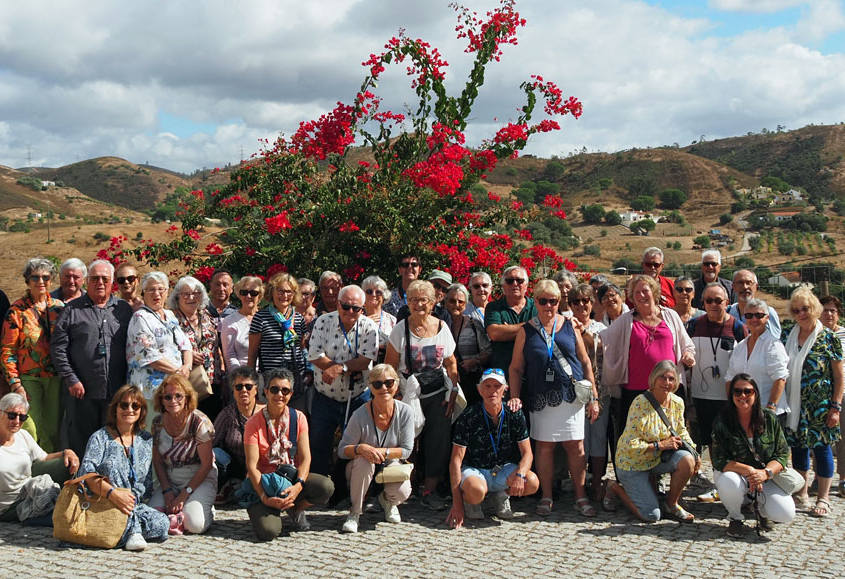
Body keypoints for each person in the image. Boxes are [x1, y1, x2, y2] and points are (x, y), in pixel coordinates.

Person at [508, 280, 599, 516]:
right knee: (545, 447)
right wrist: (515, 396)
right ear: (535, 301)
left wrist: (594, 398)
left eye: (554, 301)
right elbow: (516, 368)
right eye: (543, 300)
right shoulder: (525, 330)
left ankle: (580, 496)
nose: (549, 305)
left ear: (560, 301)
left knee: (575, 446)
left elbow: (585, 361)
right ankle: (546, 495)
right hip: (541, 398)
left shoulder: (570, 325)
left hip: (571, 397)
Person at [385, 280, 460, 510]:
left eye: (423, 300)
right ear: (407, 302)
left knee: (437, 442)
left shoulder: (441, 328)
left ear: (433, 302)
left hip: (438, 393)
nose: (418, 304)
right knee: (408, 442)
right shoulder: (400, 329)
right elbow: (390, 366)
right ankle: (404, 489)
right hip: (408, 394)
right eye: (413, 299)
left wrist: (454, 392)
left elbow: (451, 363)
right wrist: (394, 396)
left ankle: (429, 490)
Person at [51, 259, 133, 458]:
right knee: (82, 444)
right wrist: (71, 379)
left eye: (105, 279)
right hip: (81, 392)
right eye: (95, 278)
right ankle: (81, 485)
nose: (100, 283)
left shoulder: (123, 309)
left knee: (112, 443)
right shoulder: (71, 310)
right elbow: (58, 348)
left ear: (112, 281)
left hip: (115, 391)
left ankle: (108, 486)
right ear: (87, 281)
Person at [243, 368, 334, 540]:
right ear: (266, 392)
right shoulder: (253, 423)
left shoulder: (298, 418)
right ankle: (270, 508)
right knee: (268, 532)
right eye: (274, 389)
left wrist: (298, 485)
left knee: (325, 487)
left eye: (285, 390)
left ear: (291, 394)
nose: (279, 394)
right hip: (264, 483)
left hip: (290, 478)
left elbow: (306, 458)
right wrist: (264, 497)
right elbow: (252, 465)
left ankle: (295, 507)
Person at [605, 361, 700, 522]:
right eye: (662, 377)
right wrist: (660, 445)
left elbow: (681, 431)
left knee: (687, 460)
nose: (667, 383)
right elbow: (631, 444)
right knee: (651, 515)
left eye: (671, 378)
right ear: (654, 379)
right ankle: (614, 487)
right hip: (632, 463)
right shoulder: (640, 403)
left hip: (657, 460)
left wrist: (695, 452)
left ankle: (671, 504)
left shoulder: (677, 402)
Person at [77, 385, 169, 551]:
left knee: (162, 524)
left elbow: (146, 484)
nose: (130, 410)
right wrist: (114, 494)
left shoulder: (146, 439)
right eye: (124, 405)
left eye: (135, 406)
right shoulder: (100, 438)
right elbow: (87, 475)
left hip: (131, 505)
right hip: (104, 501)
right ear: (115, 409)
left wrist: (130, 499)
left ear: (142, 410)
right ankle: (131, 531)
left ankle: (123, 530)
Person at [601, 274, 695, 434]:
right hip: (636, 392)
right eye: (636, 293)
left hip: (669, 389)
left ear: (654, 292)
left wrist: (688, 354)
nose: (641, 295)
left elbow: (687, 345)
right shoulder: (626, 320)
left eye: (645, 291)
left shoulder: (670, 316)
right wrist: (582, 331)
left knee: (669, 435)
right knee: (636, 437)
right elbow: (603, 339)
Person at [445, 368, 539, 528]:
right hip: (475, 469)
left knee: (532, 482)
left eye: (497, 386)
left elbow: (527, 453)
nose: (492, 391)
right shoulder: (469, 416)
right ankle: (470, 501)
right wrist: (457, 502)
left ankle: (501, 495)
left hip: (501, 468)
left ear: (505, 389)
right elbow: (456, 460)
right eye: (487, 386)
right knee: (477, 491)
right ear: (479, 390)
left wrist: (520, 475)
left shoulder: (514, 414)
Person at [782, 287, 843, 517]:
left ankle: (824, 498)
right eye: (796, 310)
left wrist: (835, 407)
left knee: (822, 449)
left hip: (821, 407)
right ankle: (802, 493)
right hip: (794, 405)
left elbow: (839, 377)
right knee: (798, 449)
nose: (801, 314)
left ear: (814, 309)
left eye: (805, 309)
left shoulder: (829, 338)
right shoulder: (788, 334)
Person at [711, 374, 795, 538]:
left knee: (785, 514)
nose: (743, 396)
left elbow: (783, 454)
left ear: (755, 394)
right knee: (729, 482)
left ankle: (762, 512)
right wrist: (749, 470)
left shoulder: (769, 418)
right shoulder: (722, 421)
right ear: (731, 395)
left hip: (765, 475)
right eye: (737, 392)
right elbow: (718, 459)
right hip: (736, 473)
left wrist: (765, 473)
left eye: (748, 392)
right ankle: (735, 518)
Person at [308, 285, 379, 476]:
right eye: (345, 306)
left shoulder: (369, 327)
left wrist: (340, 368)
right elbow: (314, 355)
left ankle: (346, 489)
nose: (350, 312)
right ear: (338, 304)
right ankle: (318, 491)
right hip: (324, 397)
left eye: (356, 308)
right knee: (319, 444)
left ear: (362, 309)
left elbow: (365, 361)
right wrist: (339, 367)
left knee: (355, 445)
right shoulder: (323, 322)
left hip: (357, 396)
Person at [685, 283, 746, 501]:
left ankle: (733, 484)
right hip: (701, 396)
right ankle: (719, 483)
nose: (713, 305)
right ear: (702, 303)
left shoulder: (737, 328)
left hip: (728, 397)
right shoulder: (692, 326)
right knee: (710, 442)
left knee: (730, 441)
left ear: (727, 302)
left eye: (718, 300)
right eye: (708, 301)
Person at [337, 364, 414, 532]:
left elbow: (407, 449)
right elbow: (342, 450)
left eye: (389, 383)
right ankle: (354, 512)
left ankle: (387, 501)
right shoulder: (359, 415)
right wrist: (361, 448)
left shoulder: (406, 412)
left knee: (402, 491)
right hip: (361, 466)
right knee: (364, 461)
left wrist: (382, 452)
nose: (384, 388)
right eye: (377, 384)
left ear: (396, 383)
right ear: (370, 387)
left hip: (390, 464)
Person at [1, 258, 65, 451]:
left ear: (52, 280)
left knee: (52, 430)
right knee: (30, 429)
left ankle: (48, 475)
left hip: (55, 378)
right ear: (27, 281)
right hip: (28, 378)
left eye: (46, 277)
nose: (41, 281)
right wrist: (16, 384)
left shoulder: (59, 308)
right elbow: (7, 350)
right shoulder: (16, 311)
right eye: (35, 277)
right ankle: (28, 473)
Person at [148, 375, 217, 534]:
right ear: (162, 400)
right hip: (170, 479)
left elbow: (206, 465)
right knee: (152, 518)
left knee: (195, 525)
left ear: (187, 397)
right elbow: (157, 461)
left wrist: (184, 495)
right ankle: (180, 513)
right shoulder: (157, 423)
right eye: (168, 396)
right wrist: (166, 490)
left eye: (178, 395)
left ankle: (207, 509)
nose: (173, 400)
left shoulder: (200, 422)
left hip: (199, 478)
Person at [0, 393, 78, 524]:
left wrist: (67, 452)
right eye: (12, 415)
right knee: (59, 515)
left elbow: (45, 458)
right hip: (9, 505)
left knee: (66, 464)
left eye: (22, 417)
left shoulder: (22, 435)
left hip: (29, 489)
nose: (17, 421)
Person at [126, 272, 192, 418]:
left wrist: (187, 366)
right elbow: (149, 355)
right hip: (151, 391)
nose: (156, 293)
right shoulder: (140, 317)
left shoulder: (170, 315)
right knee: (152, 432)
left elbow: (185, 344)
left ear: (167, 292)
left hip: (174, 388)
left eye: (161, 289)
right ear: (143, 293)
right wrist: (178, 373)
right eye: (151, 289)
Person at [569, 284, 610, 500]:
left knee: (598, 436)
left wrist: (581, 331)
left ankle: (597, 480)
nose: (581, 305)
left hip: (600, 388)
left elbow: (600, 346)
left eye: (585, 300)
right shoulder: (565, 326)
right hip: (573, 389)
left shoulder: (601, 328)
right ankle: (580, 482)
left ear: (592, 303)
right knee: (579, 437)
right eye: (576, 301)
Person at [248, 273, 310, 410]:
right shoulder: (261, 317)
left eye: (289, 291)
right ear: (272, 291)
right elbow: (252, 352)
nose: (284, 295)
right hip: (271, 383)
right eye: (280, 290)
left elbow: (302, 348)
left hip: (295, 381)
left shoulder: (298, 318)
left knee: (295, 421)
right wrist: (251, 382)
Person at [724, 298, 789, 419]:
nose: (754, 319)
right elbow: (729, 378)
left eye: (759, 315)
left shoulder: (774, 345)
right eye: (749, 315)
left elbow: (780, 378)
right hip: (743, 414)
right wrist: (733, 406)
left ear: (767, 318)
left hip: (768, 413)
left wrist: (770, 409)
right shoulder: (740, 347)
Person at [169, 276, 220, 420]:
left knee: (211, 423)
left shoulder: (206, 315)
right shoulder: (171, 319)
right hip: (187, 382)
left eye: (196, 293)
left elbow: (216, 344)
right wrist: (189, 355)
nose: (191, 297)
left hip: (211, 380)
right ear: (177, 297)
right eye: (186, 294)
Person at [212, 366, 265, 503]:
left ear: (256, 388)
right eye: (239, 387)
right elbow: (211, 441)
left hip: (263, 467)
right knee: (214, 454)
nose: (244, 391)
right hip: (235, 467)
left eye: (248, 386)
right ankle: (227, 484)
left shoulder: (267, 413)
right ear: (233, 390)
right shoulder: (227, 414)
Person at [445, 283, 490, 407]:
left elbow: (488, 352)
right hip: (446, 383)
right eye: (452, 301)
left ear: (466, 304)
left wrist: (474, 361)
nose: (456, 305)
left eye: (461, 302)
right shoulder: (439, 324)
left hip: (470, 381)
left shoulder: (474, 324)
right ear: (445, 301)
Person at [485, 265, 537, 372]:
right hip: (503, 371)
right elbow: (494, 333)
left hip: (533, 370)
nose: (514, 284)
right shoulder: (493, 307)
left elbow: (544, 329)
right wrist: (532, 325)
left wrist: (507, 329)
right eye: (509, 281)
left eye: (519, 280)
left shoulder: (537, 306)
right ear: (504, 286)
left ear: (526, 285)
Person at [820, 295, 845, 496]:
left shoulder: (844, 335)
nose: (828, 314)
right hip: (819, 396)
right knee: (820, 441)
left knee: (843, 440)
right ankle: (821, 479)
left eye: (832, 310)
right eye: (825, 310)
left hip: (842, 394)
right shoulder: (815, 335)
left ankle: (843, 479)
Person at [219, 276, 264, 372]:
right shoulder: (229, 321)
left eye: (253, 293)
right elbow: (229, 355)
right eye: (244, 293)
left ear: (259, 296)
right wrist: (240, 376)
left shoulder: (266, 318)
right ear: (239, 295)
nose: (248, 296)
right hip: (241, 375)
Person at [726, 270, 781, 339]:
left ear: (756, 286)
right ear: (733, 286)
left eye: (749, 283)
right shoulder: (728, 313)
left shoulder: (768, 312)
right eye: (740, 283)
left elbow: (774, 342)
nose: (745, 287)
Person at [361, 275, 396, 364]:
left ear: (384, 296)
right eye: (369, 291)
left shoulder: (392, 320)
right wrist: (365, 323)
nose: (373, 295)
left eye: (378, 292)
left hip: (385, 365)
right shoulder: (357, 319)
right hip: (361, 366)